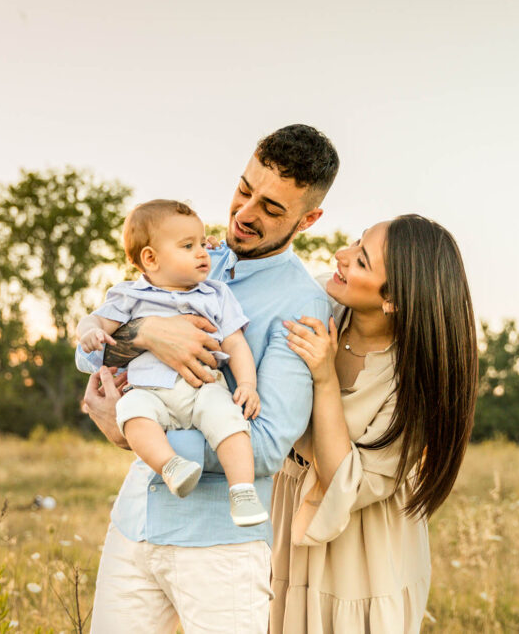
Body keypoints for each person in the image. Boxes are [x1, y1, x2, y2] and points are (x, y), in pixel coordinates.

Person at [79, 124, 339, 633]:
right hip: (134, 526)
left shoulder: (301, 304)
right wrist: (151, 332)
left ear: (309, 219)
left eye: (271, 208)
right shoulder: (191, 255)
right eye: (245, 189)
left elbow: (264, 448)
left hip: (218, 547)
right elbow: (90, 359)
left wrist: (138, 440)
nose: (244, 214)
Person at [272, 214, 477, 633]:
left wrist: (325, 377)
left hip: (361, 561)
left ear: (394, 300)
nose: (341, 256)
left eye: (361, 261)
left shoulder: (415, 382)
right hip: (283, 524)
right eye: (354, 243)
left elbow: (340, 482)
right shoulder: (318, 309)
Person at [76, 199, 267, 527]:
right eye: (188, 246)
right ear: (150, 258)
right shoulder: (130, 296)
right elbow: (92, 324)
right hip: (149, 390)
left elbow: (235, 342)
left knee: (230, 422)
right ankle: (170, 466)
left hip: (202, 386)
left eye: (203, 243)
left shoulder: (216, 294)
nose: (202, 253)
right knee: (132, 411)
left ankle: (243, 492)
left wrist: (247, 384)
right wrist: (91, 333)